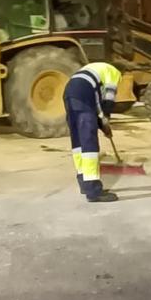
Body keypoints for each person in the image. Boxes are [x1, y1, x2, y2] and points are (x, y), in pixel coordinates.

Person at [64, 60, 123, 201]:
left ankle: (84, 183)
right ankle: (94, 191)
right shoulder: (114, 72)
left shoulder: (95, 69)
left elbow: (96, 104)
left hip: (69, 92)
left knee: (79, 141)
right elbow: (108, 99)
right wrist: (105, 121)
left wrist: (103, 125)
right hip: (83, 95)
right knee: (89, 144)